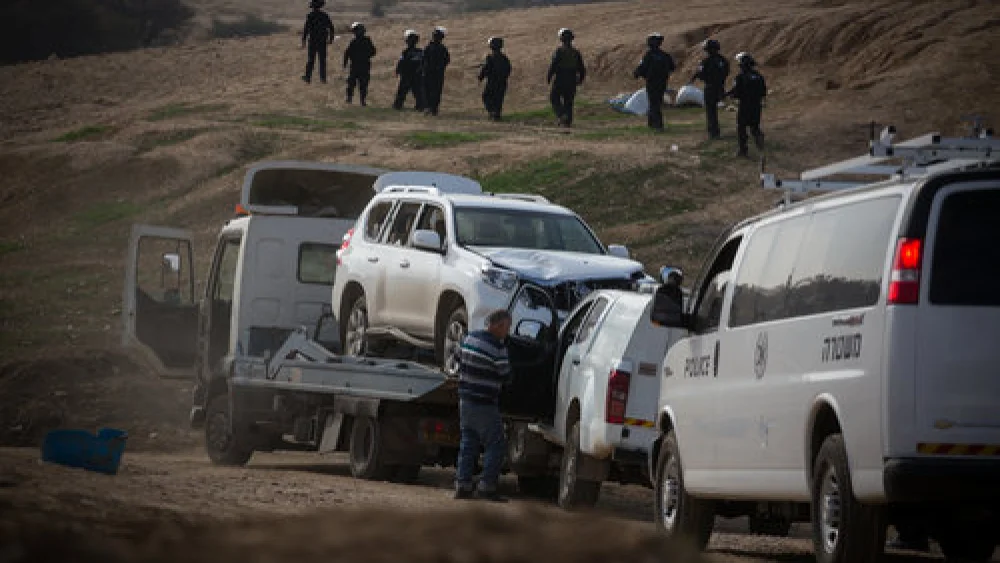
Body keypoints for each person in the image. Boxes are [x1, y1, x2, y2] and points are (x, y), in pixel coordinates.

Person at [455, 309, 512, 502]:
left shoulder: (469, 338)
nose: (507, 332)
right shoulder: (497, 348)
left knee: (468, 443)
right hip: (485, 404)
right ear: (497, 326)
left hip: (465, 401)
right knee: (496, 445)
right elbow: (505, 374)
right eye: (507, 327)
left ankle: (462, 485)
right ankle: (487, 486)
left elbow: (457, 359)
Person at [726, 52, 767, 158]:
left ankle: (743, 150)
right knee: (754, 126)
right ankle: (759, 138)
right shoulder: (758, 76)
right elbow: (763, 92)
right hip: (757, 105)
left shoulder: (740, 77)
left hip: (745, 106)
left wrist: (730, 95)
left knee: (741, 127)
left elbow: (737, 92)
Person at [633, 32, 675, 132]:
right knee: (656, 102)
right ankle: (651, 123)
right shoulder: (665, 55)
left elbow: (641, 68)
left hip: (652, 83)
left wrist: (637, 73)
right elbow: (672, 67)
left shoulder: (649, 55)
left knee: (653, 103)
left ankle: (658, 125)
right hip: (662, 83)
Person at [689, 38, 729, 140]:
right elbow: (726, 73)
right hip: (720, 87)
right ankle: (715, 131)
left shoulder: (706, 61)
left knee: (711, 111)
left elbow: (700, 73)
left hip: (710, 88)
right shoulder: (723, 60)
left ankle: (713, 132)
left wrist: (693, 79)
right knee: (714, 109)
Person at [547, 28, 586, 127]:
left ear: (561, 39)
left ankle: (561, 115)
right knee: (568, 101)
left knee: (554, 97)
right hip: (572, 78)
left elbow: (554, 64)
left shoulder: (559, 51)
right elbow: (581, 67)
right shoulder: (576, 52)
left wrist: (549, 76)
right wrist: (581, 78)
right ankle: (567, 122)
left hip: (561, 78)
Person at [301, 0, 335, 84]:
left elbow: (306, 29)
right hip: (322, 41)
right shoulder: (324, 16)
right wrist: (331, 39)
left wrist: (304, 40)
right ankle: (323, 79)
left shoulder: (310, 16)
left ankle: (308, 77)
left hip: (312, 41)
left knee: (311, 60)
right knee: (322, 61)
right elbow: (331, 28)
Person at [478, 37, 512, 121]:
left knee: (486, 96)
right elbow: (509, 68)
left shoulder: (489, 57)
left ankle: (492, 111)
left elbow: (486, 68)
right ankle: (497, 114)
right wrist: (504, 77)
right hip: (502, 82)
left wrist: (480, 77)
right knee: (499, 98)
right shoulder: (504, 58)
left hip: (492, 82)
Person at [343, 22, 376, 106]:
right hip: (356, 65)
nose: (357, 33)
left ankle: (362, 100)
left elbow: (373, 52)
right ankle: (350, 98)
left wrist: (364, 56)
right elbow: (347, 53)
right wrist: (345, 62)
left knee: (363, 85)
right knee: (351, 84)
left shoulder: (366, 41)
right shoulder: (354, 41)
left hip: (363, 65)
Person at [393, 30, 425, 111]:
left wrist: (398, 70)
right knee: (416, 92)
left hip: (409, 75)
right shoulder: (419, 52)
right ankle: (420, 106)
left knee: (407, 91)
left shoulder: (407, 52)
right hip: (414, 75)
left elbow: (401, 62)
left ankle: (398, 105)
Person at [422, 27, 451, 116]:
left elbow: (446, 60)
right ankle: (431, 108)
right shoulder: (441, 48)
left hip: (433, 73)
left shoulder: (433, 48)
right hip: (434, 73)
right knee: (432, 91)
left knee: (432, 91)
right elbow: (447, 60)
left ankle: (431, 108)